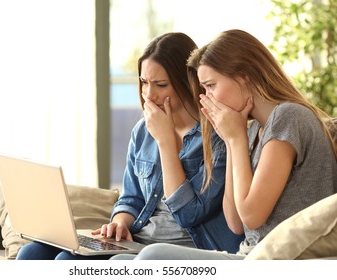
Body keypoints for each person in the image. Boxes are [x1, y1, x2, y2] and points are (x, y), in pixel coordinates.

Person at [16, 32, 243, 260]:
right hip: (138, 242)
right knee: (31, 253)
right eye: (144, 82)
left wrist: (165, 142)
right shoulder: (143, 131)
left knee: (66, 262)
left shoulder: (217, 137)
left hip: (181, 250)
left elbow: (188, 214)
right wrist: (120, 222)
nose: (149, 95)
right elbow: (131, 197)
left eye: (160, 84)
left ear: (186, 82)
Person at [113, 29, 337, 260]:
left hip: (278, 259)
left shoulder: (289, 117)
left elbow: (251, 216)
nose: (205, 97)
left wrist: (235, 140)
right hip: (250, 255)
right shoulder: (254, 131)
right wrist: (234, 139)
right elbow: (236, 222)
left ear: (244, 76)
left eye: (210, 86)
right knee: (118, 262)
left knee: (152, 257)